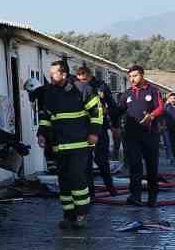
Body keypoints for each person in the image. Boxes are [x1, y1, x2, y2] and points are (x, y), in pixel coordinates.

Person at [37, 60, 102, 229]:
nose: (50, 76)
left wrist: (94, 133)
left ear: (64, 74)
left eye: (53, 73)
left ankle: (82, 214)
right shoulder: (50, 92)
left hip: (79, 144)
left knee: (77, 178)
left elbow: (96, 112)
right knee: (64, 181)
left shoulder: (82, 89)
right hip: (59, 145)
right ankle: (68, 215)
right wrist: (42, 134)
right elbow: (46, 116)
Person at [116, 64, 165, 206]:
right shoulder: (127, 94)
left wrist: (151, 116)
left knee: (151, 167)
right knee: (135, 166)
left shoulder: (153, 91)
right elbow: (119, 110)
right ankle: (135, 196)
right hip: (132, 136)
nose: (132, 79)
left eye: (135, 76)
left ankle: (152, 197)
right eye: (130, 77)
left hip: (150, 135)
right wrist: (114, 123)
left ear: (142, 75)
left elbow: (160, 107)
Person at [75, 65, 117, 196]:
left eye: (85, 79)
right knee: (86, 161)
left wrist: (115, 125)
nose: (83, 82)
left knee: (101, 159)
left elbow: (112, 105)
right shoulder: (74, 87)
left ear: (90, 76)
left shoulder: (101, 86)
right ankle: (90, 193)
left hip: (100, 127)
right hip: (83, 128)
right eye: (80, 80)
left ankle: (110, 187)